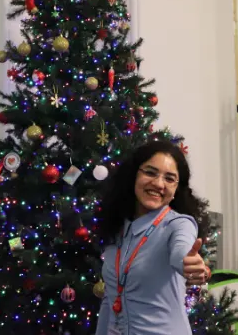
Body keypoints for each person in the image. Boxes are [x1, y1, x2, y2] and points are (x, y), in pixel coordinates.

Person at [95, 140, 212, 335]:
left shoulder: (179, 224)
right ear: (134, 176)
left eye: (169, 178)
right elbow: (110, 299)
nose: (158, 184)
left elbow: (181, 251)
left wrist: (187, 263)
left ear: (176, 189)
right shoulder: (118, 229)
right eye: (150, 172)